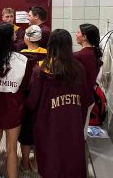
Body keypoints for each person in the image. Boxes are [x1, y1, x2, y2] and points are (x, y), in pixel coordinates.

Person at [27, 29, 93, 178]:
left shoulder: (41, 70)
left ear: (50, 45)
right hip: (72, 122)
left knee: (51, 160)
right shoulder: (79, 68)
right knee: (72, 158)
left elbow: (32, 102)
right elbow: (84, 98)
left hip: (48, 123)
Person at [0, 23, 27, 178]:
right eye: (14, 33)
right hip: (13, 106)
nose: (16, 35)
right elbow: (25, 85)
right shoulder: (22, 59)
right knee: (11, 149)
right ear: (10, 37)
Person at [18, 25, 47, 173]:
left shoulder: (20, 56)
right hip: (42, 99)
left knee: (25, 130)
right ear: (40, 38)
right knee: (40, 129)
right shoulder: (47, 56)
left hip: (24, 98)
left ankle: (24, 162)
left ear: (27, 38)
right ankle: (36, 162)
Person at [74, 23, 103, 134]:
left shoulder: (80, 56)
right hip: (89, 98)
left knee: (78, 134)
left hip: (80, 100)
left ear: (84, 37)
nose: (76, 35)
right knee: (83, 132)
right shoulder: (94, 53)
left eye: (78, 32)